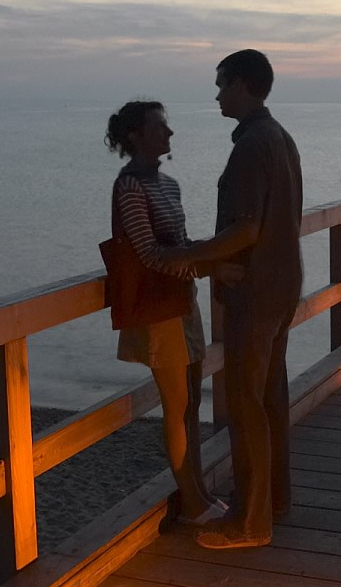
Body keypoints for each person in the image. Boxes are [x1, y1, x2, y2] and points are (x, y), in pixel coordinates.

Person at [163, 50, 303, 550]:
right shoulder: (280, 138)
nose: (217, 94)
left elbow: (247, 227)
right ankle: (274, 500)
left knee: (245, 405)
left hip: (255, 289)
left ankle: (250, 522)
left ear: (244, 86)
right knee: (270, 399)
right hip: (284, 284)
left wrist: (191, 256)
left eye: (222, 84)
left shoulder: (252, 146)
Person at [104, 101, 226, 525]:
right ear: (135, 135)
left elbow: (178, 243)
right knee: (177, 404)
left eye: (167, 126)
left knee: (191, 401)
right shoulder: (130, 186)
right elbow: (149, 254)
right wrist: (210, 264)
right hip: (159, 308)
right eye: (159, 127)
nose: (169, 134)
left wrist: (201, 262)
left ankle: (200, 490)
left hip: (183, 299)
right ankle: (192, 500)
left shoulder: (168, 185)